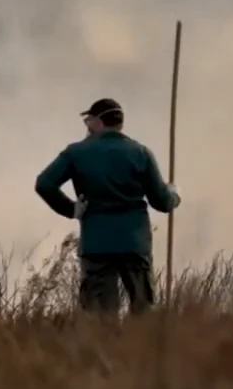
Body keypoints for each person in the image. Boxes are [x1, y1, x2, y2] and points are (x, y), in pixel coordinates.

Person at [35, 97, 181, 315]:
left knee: (100, 316)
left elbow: (44, 184)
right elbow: (161, 201)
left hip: (97, 244)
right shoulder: (140, 153)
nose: (87, 126)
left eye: (88, 121)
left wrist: (71, 209)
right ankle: (145, 348)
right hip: (135, 243)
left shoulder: (76, 153)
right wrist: (174, 193)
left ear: (98, 121)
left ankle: (103, 348)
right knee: (144, 311)